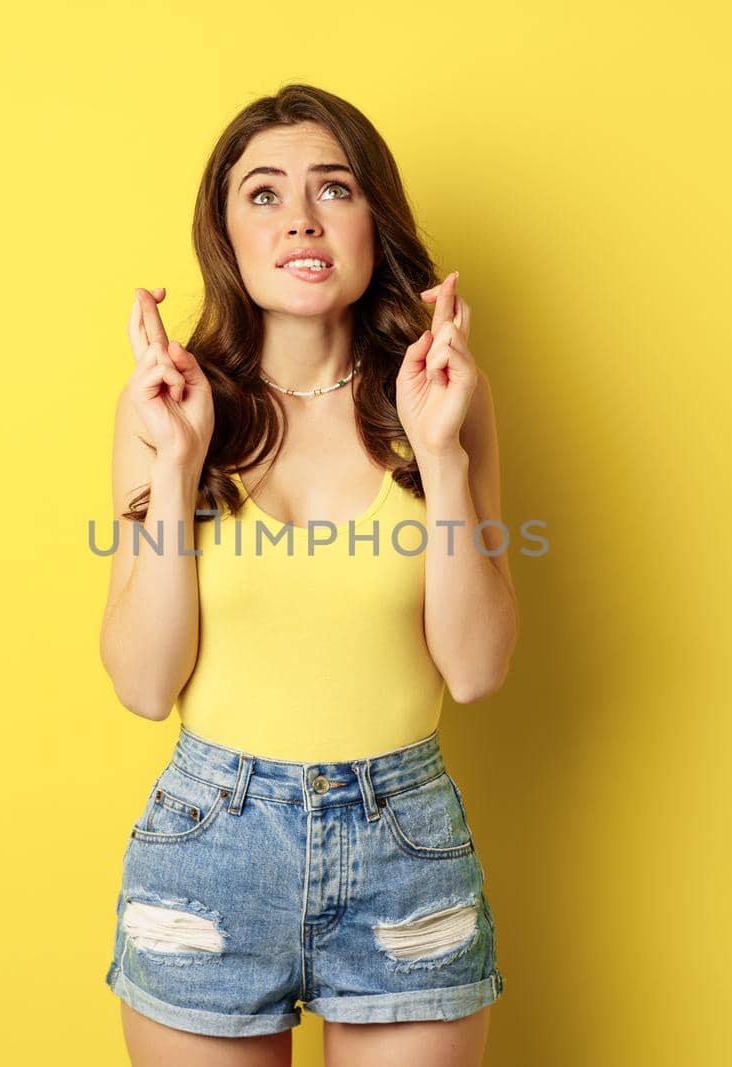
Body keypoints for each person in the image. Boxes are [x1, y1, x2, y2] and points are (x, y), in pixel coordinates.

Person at [100, 83, 518, 1067]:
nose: (299, 216)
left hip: (403, 844)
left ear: (374, 218)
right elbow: (141, 682)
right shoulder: (167, 404)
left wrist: (443, 453)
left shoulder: (442, 397)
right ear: (225, 232)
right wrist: (174, 462)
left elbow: (476, 667)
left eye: (333, 188)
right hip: (209, 847)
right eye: (263, 193)